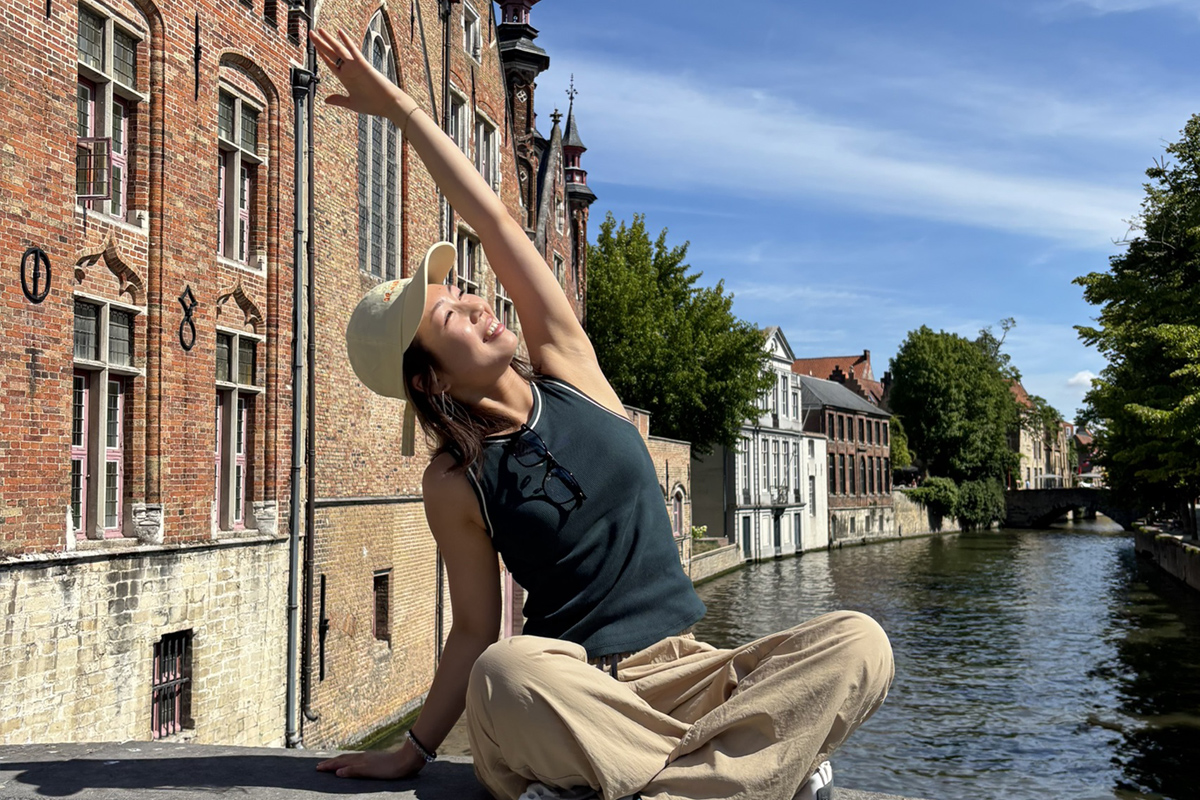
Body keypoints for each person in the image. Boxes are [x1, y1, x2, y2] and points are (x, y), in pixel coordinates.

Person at [309, 27, 894, 800]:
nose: (479, 305)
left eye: (466, 292)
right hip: (574, 689)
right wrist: (412, 751)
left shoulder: (570, 369)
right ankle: (743, 769)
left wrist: (404, 111)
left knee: (860, 642)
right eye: (451, 316)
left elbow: (497, 225)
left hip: (688, 673)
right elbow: (476, 630)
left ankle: (659, 781)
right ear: (433, 379)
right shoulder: (455, 480)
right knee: (502, 673)